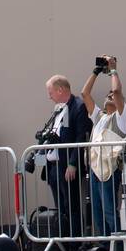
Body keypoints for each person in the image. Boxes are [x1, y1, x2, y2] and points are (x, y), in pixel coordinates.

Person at [81, 56, 126, 237]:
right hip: (95, 169)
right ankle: (104, 243)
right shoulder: (99, 117)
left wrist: (113, 70)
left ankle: (117, 242)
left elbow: (117, 91)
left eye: (113, 96)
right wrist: (96, 71)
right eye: (107, 95)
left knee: (109, 209)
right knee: (98, 211)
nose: (110, 95)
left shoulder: (122, 119)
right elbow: (84, 94)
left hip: (110, 168)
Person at [42, 75, 91, 240]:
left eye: (51, 92)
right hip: (54, 167)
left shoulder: (78, 106)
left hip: (67, 167)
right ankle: (64, 242)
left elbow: (80, 138)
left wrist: (72, 163)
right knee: (60, 208)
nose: (49, 96)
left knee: (71, 207)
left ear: (60, 89)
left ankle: (74, 243)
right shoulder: (58, 108)